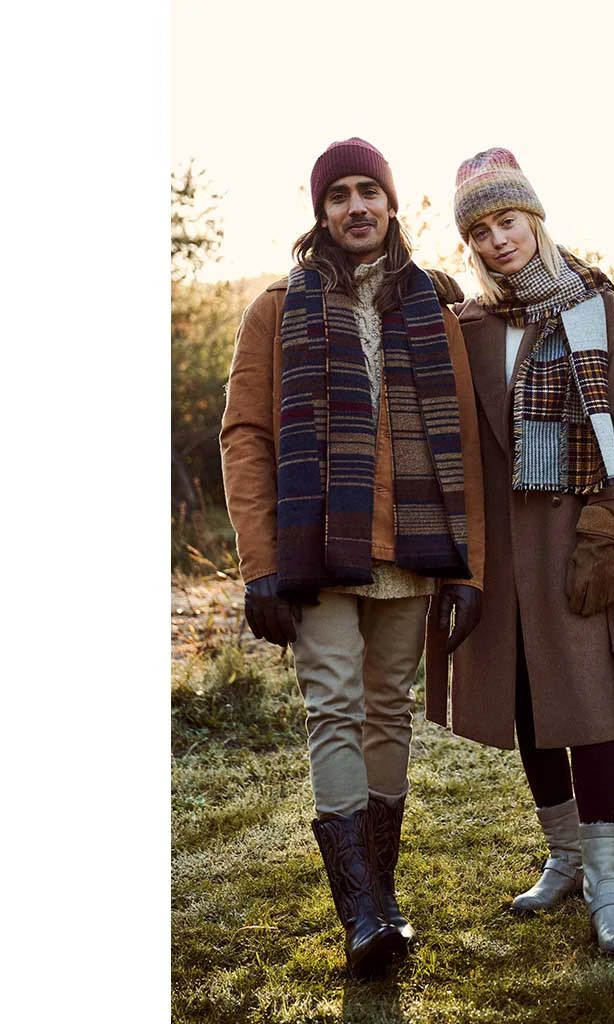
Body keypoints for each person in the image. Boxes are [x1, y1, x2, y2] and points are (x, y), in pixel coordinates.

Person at [219, 137, 486, 978]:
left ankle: (385, 891)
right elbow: (245, 436)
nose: (356, 206)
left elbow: (463, 444)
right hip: (316, 546)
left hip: (410, 545)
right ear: (321, 213)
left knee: (387, 709)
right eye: (339, 195)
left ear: (392, 204)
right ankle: (362, 913)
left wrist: (467, 567)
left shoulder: (433, 309)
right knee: (333, 706)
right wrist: (260, 563)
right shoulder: (276, 308)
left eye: (369, 190)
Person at [424, 148, 614, 958]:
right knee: (527, 701)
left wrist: (604, 527)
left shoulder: (595, 305)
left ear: (534, 217)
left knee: (585, 707)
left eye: (508, 220)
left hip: (571, 538)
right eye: (480, 231)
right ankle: (563, 858)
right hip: (498, 545)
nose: (498, 240)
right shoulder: (468, 323)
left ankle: (609, 884)